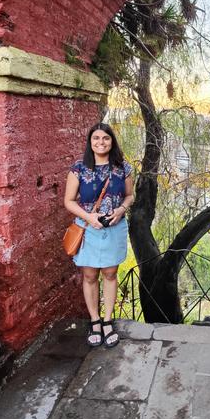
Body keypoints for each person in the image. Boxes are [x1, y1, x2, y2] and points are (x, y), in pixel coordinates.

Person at [64, 122, 133, 348]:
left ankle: (107, 320)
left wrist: (121, 210)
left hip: (115, 228)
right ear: (90, 142)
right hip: (88, 228)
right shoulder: (79, 168)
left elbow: (130, 196)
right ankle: (94, 320)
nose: (101, 142)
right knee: (90, 275)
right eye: (96, 138)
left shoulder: (123, 167)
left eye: (105, 138)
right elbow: (69, 201)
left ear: (112, 141)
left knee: (110, 274)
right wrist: (89, 217)